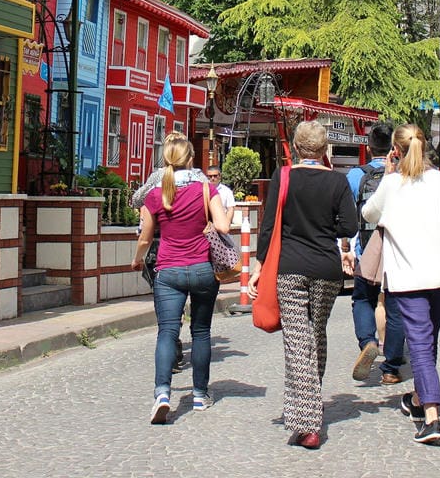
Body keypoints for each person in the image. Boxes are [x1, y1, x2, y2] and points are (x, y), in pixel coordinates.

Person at [247, 121, 358, 450]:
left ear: (296, 148)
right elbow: (349, 226)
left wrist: (257, 268)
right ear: (324, 150)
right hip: (326, 268)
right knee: (316, 333)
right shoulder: (337, 182)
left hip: (290, 268)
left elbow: (268, 228)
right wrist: (326, 227)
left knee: (298, 341)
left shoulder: (283, 178)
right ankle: (309, 401)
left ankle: (308, 422)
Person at [361, 123, 440, 445]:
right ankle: (419, 399)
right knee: (428, 340)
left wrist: (389, 174)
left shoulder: (391, 184)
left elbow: (368, 214)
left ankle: (432, 417)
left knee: (421, 344)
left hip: (407, 278)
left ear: (394, 151)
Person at [130, 136, 230, 424]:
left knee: (167, 333)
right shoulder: (205, 188)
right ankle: (200, 394)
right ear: (190, 160)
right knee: (200, 332)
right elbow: (223, 226)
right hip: (201, 268)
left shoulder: (156, 194)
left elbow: (146, 237)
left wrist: (137, 258)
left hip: (168, 271)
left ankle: (162, 393)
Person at [130, 131, 207, 371]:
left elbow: (136, 200)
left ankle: (171, 352)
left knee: (165, 308)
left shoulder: (157, 177)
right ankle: (196, 384)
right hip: (196, 252)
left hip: (160, 247)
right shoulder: (199, 177)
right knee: (199, 322)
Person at [341, 122, 406, 385]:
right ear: (393, 147)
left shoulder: (356, 176)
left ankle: (368, 341)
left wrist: (346, 247)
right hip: (398, 251)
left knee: (363, 298)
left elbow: (345, 215)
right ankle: (391, 366)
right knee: (395, 304)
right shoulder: (403, 174)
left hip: (366, 249)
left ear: (368, 147)